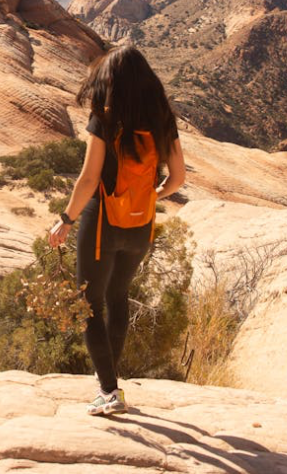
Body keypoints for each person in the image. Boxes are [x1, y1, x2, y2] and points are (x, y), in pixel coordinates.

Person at [49, 44, 185, 415]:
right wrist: (151, 194)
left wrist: (66, 218)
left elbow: (90, 178)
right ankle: (108, 385)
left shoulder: (104, 118)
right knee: (118, 297)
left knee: (89, 305)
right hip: (141, 223)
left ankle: (109, 392)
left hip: (102, 224)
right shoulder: (163, 119)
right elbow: (179, 177)